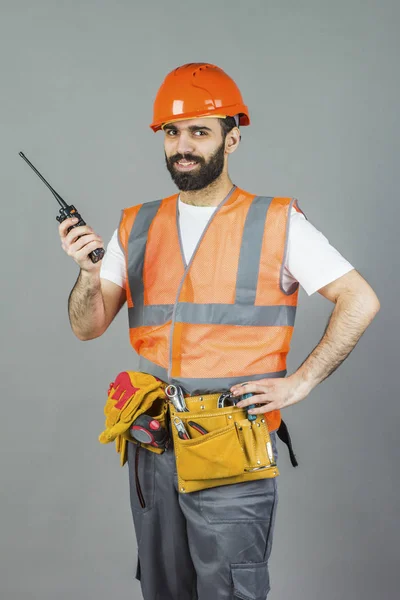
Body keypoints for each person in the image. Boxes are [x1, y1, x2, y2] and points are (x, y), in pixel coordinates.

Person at [59, 63, 380, 600]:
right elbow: (86, 327)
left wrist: (299, 383)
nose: (183, 146)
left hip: (231, 444)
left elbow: (360, 300)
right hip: (153, 444)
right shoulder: (134, 225)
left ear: (232, 139)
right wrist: (89, 273)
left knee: (230, 590)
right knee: (164, 589)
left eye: (200, 132)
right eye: (172, 132)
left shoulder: (277, 222)